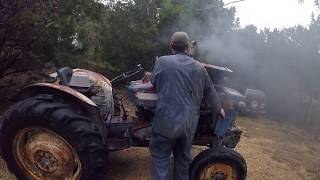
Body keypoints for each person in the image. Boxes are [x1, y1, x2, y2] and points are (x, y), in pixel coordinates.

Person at [149, 32, 225, 180]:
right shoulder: (200, 68)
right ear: (187, 47)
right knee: (183, 162)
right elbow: (210, 91)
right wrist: (219, 109)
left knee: (160, 159)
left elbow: (153, 82)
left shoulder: (163, 62)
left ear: (171, 46)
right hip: (188, 125)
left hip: (165, 123)